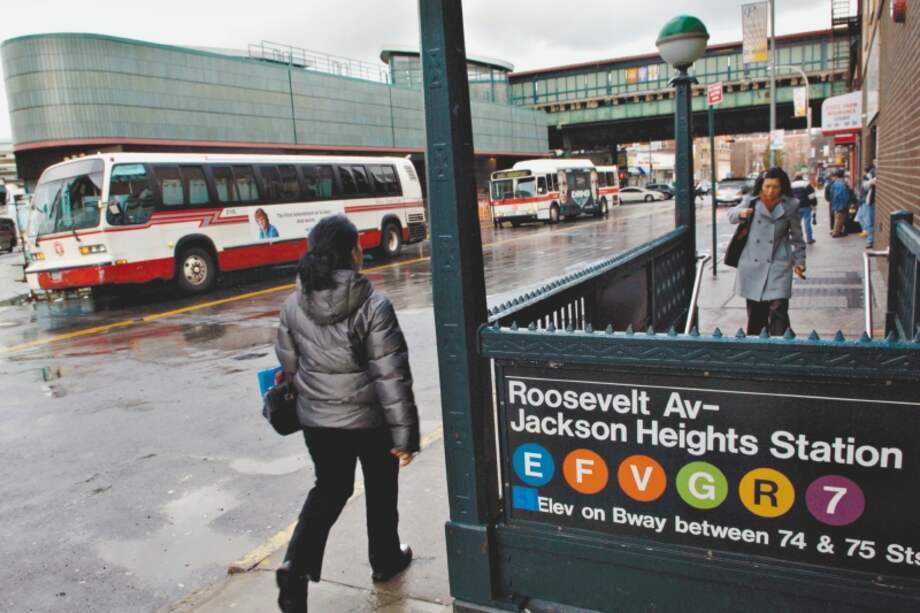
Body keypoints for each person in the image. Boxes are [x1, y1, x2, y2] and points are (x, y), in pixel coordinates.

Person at [274, 214, 420, 613]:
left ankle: (295, 566)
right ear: (354, 253)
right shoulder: (373, 305)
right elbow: (392, 377)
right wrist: (406, 438)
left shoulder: (292, 304)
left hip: (317, 422)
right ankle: (385, 560)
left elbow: (288, 363)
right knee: (380, 487)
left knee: (330, 488)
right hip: (370, 422)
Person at [728, 167, 806, 336]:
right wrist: (741, 213)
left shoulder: (791, 205)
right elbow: (731, 214)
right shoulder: (751, 201)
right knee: (756, 315)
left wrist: (799, 262)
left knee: (779, 309)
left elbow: (797, 238)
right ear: (761, 186)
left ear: (782, 187)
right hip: (752, 264)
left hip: (778, 263)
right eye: (767, 186)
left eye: (776, 187)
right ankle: (757, 351)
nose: (771, 191)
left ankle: (780, 349)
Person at [790, 174, 817, 244]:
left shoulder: (791, 185)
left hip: (795, 207)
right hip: (806, 206)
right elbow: (812, 196)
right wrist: (814, 204)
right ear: (802, 178)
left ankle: (798, 239)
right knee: (807, 222)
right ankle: (809, 239)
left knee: (796, 224)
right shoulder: (806, 184)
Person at [826, 169, 851, 238]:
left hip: (835, 203)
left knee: (838, 217)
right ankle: (835, 233)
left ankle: (838, 231)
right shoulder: (843, 184)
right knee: (839, 218)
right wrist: (846, 203)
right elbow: (845, 195)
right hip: (841, 203)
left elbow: (831, 193)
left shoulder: (835, 183)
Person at [861, 161, 877, 249]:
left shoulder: (874, 172)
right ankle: (870, 239)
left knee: (869, 221)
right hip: (870, 201)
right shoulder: (871, 173)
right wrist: (872, 182)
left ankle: (871, 239)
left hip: (873, 201)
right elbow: (865, 185)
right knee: (869, 221)